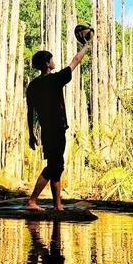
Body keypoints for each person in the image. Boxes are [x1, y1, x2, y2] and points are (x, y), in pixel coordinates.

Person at [26, 38, 90, 211]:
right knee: (54, 166)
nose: (54, 62)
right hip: (57, 129)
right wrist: (85, 46)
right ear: (47, 64)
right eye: (52, 59)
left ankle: (57, 205)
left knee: (56, 165)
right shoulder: (55, 80)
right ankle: (32, 201)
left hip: (46, 131)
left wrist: (31, 135)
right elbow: (75, 61)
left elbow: (30, 112)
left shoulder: (33, 85)